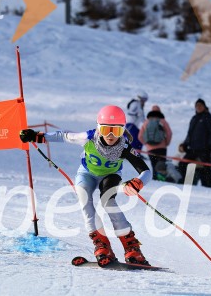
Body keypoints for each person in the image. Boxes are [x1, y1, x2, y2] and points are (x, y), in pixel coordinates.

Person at [19, 105, 152, 266]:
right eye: (105, 130)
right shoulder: (88, 138)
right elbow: (64, 136)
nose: (110, 136)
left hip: (110, 176)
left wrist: (139, 182)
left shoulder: (124, 147)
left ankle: (132, 248)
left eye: (116, 131)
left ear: (123, 130)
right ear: (98, 128)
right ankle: (102, 246)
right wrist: (38, 136)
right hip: (87, 174)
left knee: (108, 201)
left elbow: (146, 171)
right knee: (84, 199)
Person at [178, 98, 211, 188]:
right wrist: (184, 145)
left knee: (205, 170)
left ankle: (209, 191)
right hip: (192, 150)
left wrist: (210, 147)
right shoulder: (194, 118)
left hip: (204, 150)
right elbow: (190, 134)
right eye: (197, 106)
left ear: (204, 106)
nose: (198, 107)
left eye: (200, 105)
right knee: (183, 165)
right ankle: (186, 187)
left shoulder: (208, 117)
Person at [137, 105, 173, 181]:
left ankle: (155, 180)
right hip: (162, 148)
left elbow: (140, 136)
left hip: (150, 149)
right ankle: (162, 180)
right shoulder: (162, 121)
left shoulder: (146, 122)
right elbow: (169, 133)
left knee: (154, 165)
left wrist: (147, 144)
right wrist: (166, 143)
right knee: (161, 166)